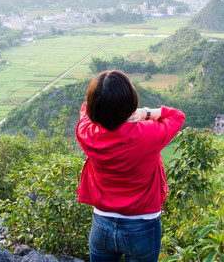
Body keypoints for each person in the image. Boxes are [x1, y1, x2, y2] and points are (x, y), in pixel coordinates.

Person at [76, 70, 185, 262]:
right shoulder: (147, 133)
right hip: (142, 225)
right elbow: (176, 116)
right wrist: (144, 113)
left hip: (102, 224)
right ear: (130, 104)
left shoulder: (86, 132)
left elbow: (86, 108)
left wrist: (104, 107)